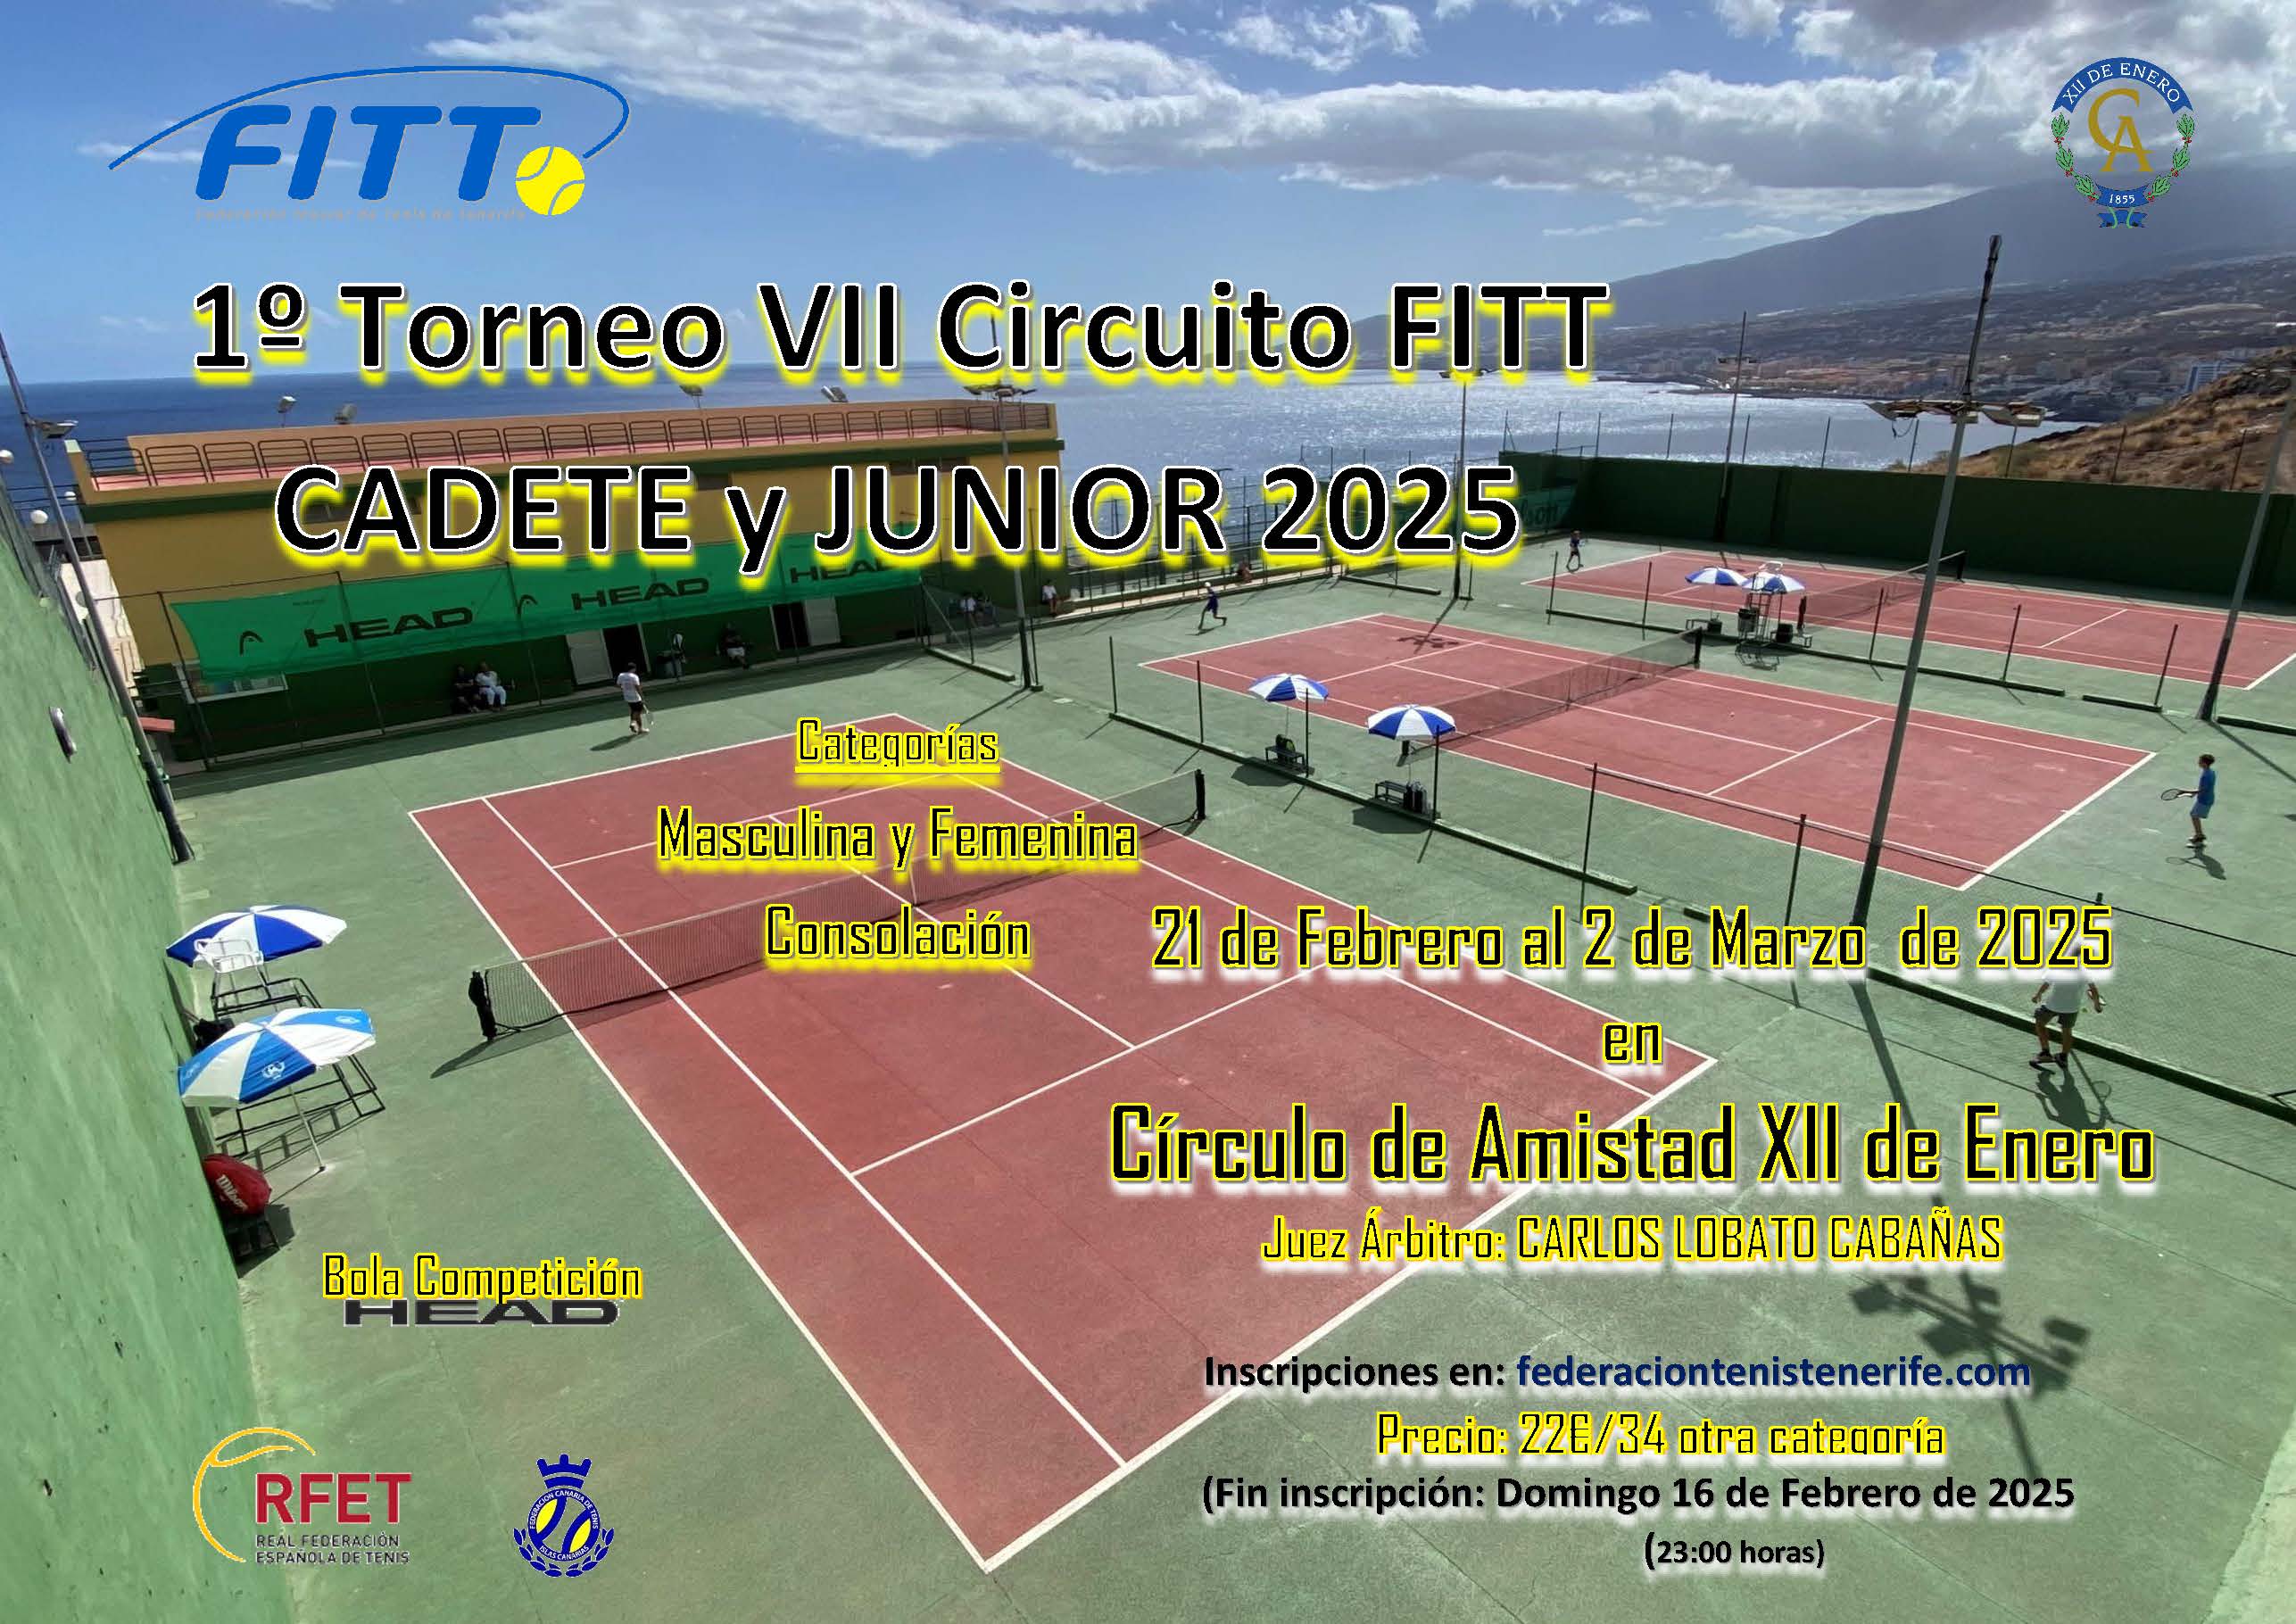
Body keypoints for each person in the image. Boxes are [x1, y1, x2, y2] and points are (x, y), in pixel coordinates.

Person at [2029, 975, 2104, 1074]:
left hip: (2053, 1004)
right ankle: (2063, 1058)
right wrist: (2097, 1005)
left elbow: (2047, 983)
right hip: (2072, 1007)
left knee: (2040, 1023)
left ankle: (2045, 1053)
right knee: (2067, 1030)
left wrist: (2038, 994)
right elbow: (2093, 989)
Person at [2188, 753, 2217, 848]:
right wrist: (2195, 793)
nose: (2198, 762)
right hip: (2205, 798)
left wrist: (2192, 792)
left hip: (2205, 800)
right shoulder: (2211, 772)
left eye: (2200, 761)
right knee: (2194, 815)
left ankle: (2199, 840)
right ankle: (2199, 835)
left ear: (2204, 763)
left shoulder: (2206, 775)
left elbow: (2203, 789)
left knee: (2194, 816)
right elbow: (2204, 788)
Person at [616, 663, 648, 735]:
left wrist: (623, 688)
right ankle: (633, 722)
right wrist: (642, 697)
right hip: (635, 697)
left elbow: (618, 685)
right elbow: (638, 688)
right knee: (639, 711)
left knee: (634, 711)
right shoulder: (634, 677)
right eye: (635, 669)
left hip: (627, 697)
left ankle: (640, 729)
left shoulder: (621, 675)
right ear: (633, 669)